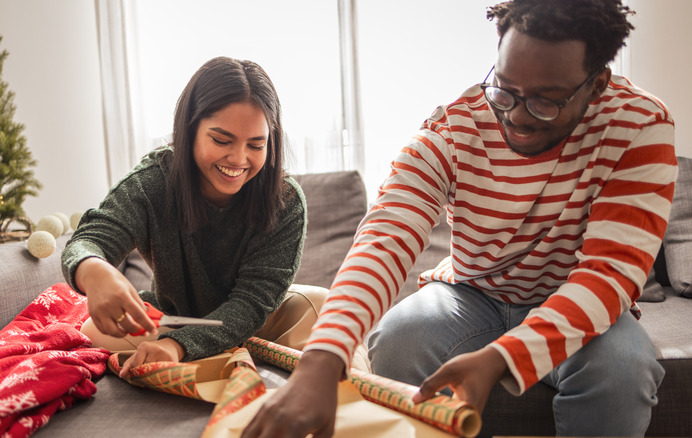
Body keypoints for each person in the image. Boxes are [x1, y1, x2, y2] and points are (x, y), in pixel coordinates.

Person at [242, 1, 677, 437]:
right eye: (504, 90)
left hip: (575, 298)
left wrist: (500, 358)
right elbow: (385, 236)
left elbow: (608, 275)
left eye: (546, 102)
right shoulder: (453, 127)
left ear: (597, 84)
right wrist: (323, 358)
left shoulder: (638, 126)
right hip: (473, 294)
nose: (517, 117)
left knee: (622, 370)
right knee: (398, 339)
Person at [62, 56, 323, 378]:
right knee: (93, 331)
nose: (239, 159)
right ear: (189, 130)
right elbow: (90, 239)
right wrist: (95, 270)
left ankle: (204, 354)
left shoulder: (286, 199)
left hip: (261, 320)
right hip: (178, 318)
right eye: (221, 140)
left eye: (256, 145)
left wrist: (177, 346)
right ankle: (219, 355)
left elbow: (253, 302)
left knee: (321, 306)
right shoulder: (151, 183)